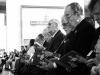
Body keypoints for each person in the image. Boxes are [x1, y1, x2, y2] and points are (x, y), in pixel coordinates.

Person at [45, 2, 96, 75]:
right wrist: (58, 60)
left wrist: (56, 64)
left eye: (68, 16)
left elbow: (78, 54)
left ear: (77, 14)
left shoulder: (86, 28)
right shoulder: (76, 29)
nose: (67, 19)